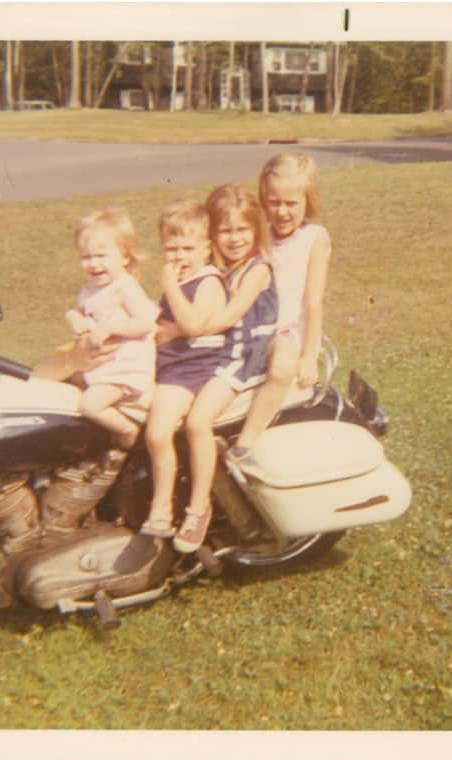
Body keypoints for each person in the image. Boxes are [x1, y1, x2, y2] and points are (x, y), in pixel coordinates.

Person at [157, 184, 277, 552]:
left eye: (243, 229)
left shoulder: (257, 270)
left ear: (256, 229)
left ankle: (198, 509)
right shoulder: (224, 270)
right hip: (222, 358)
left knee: (196, 422)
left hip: (242, 362)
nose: (235, 238)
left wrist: (177, 329)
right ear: (212, 237)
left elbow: (225, 318)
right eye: (226, 230)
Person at [227, 153, 331, 467]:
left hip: (284, 330)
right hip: (250, 325)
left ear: (307, 201)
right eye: (273, 203)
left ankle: (246, 441)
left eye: (291, 203)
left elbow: (313, 301)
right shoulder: (258, 233)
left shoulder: (314, 238)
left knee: (282, 368)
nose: (282, 212)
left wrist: (309, 355)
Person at [140, 200, 228, 546]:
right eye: (171, 248)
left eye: (188, 248)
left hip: (191, 371)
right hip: (167, 366)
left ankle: (174, 508)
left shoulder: (207, 281)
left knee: (158, 432)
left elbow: (191, 325)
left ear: (206, 249)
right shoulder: (182, 280)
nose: (179, 256)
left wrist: (169, 285)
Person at [64, 208, 158, 449]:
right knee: (63, 382)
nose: (94, 264)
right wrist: (74, 317)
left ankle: (127, 430)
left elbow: (146, 322)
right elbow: (81, 311)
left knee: (89, 405)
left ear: (125, 257)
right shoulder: (91, 289)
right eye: (86, 257)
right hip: (102, 365)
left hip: (125, 368)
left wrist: (111, 327)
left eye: (102, 256)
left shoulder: (124, 286)